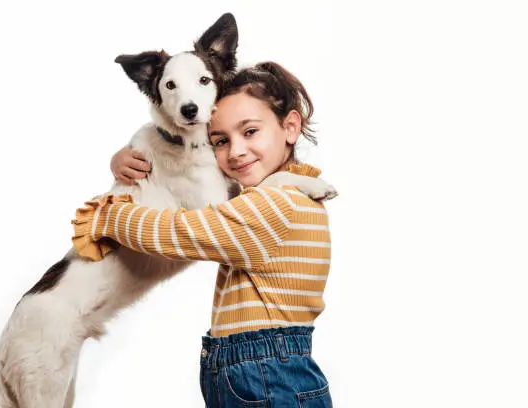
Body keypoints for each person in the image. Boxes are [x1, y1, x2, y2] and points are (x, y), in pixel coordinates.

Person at [73, 61, 335, 407]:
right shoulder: (272, 197)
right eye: (220, 141)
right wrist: (123, 161)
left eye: (250, 132)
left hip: (269, 377)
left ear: (290, 127)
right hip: (256, 372)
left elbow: (179, 232)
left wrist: (109, 214)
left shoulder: (275, 207)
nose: (236, 151)